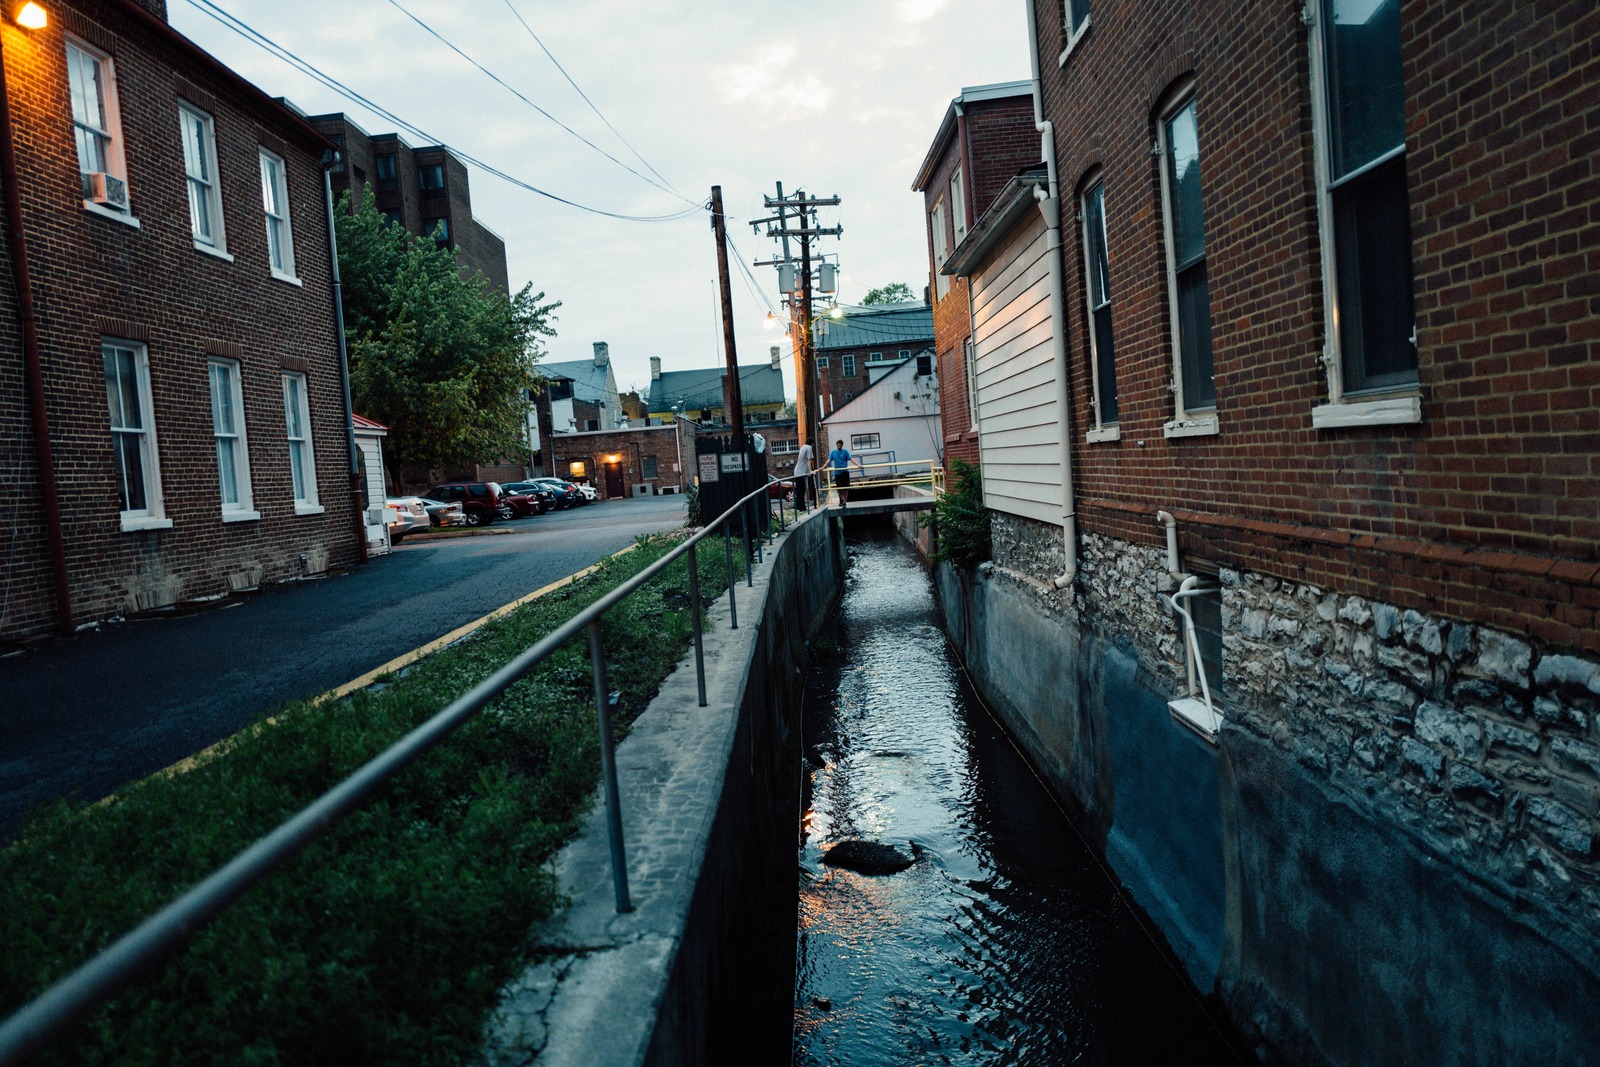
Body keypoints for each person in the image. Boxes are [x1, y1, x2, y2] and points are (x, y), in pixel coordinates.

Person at [827, 439, 856, 505]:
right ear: (836, 445)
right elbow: (828, 460)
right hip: (837, 473)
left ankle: (844, 501)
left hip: (845, 472)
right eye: (838, 445)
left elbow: (851, 459)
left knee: (845, 487)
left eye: (840, 445)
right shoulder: (833, 452)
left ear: (842, 445)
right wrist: (822, 468)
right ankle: (841, 499)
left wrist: (858, 465)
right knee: (839, 488)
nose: (839, 446)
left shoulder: (845, 452)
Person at [792, 440, 814, 509]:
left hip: (797, 471)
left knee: (799, 490)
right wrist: (810, 471)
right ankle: (800, 507)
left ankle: (799, 506)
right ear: (812, 443)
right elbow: (809, 459)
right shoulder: (809, 447)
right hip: (801, 472)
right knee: (802, 490)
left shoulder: (803, 447)